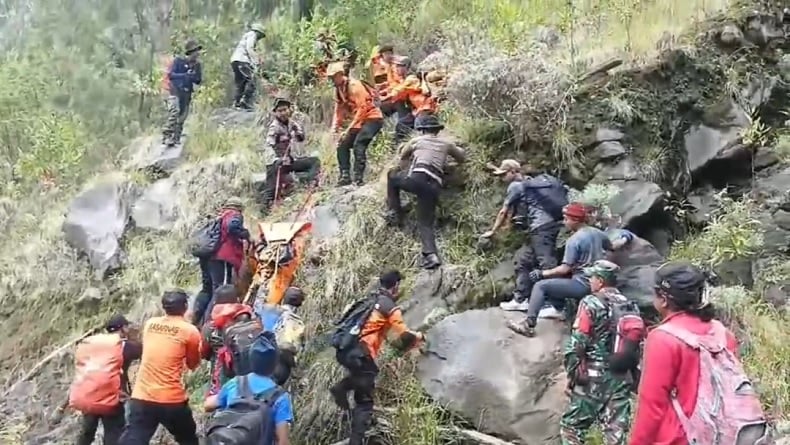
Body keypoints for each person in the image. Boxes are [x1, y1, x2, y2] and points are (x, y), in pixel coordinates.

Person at [629, 262, 769, 445]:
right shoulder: (721, 332)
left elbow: (652, 405)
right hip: (723, 434)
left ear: (663, 299)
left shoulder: (662, 339)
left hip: (681, 437)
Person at [329, 270, 425, 445]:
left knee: (364, 377)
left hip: (345, 350)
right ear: (395, 286)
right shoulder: (389, 306)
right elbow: (403, 332)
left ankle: (341, 389)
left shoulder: (369, 300)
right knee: (365, 401)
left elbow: (382, 332)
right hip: (361, 353)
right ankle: (356, 440)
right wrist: (419, 336)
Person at [507, 202, 611, 337]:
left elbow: (565, 268)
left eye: (566, 219)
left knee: (540, 286)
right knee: (555, 279)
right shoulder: (597, 233)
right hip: (598, 282)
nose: (564, 222)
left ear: (575, 220)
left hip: (583, 284)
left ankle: (528, 324)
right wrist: (626, 236)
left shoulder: (574, 240)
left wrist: (542, 274)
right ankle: (558, 308)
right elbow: (612, 246)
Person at [560, 261, 632, 445]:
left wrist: (572, 374)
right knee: (616, 433)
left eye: (592, 277)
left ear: (600, 281)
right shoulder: (630, 305)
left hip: (593, 377)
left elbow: (577, 344)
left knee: (572, 427)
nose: (590, 280)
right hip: (622, 376)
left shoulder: (590, 302)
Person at [119, 290, 202, 445]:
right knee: (188, 439)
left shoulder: (150, 324)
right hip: (171, 398)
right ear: (185, 307)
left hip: (142, 396)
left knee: (133, 439)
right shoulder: (190, 331)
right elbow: (193, 364)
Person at [481, 159, 563, 312]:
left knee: (547, 264)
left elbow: (504, 211)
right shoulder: (532, 182)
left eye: (503, 175)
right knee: (524, 261)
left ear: (513, 172)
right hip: (548, 226)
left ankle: (555, 306)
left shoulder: (515, 186)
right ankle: (521, 299)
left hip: (541, 227)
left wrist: (493, 231)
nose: (501, 179)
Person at [385, 114, 466, 269]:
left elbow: (402, 155)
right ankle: (431, 255)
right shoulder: (447, 143)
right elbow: (461, 157)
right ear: (437, 130)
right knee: (425, 223)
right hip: (434, 186)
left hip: (418, 178)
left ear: (421, 130)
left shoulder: (416, 141)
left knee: (393, 178)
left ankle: (394, 212)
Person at [204, 332, 294, 445]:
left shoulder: (235, 383)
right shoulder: (280, 397)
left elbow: (208, 405)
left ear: (251, 360)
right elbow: (283, 442)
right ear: (274, 364)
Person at [74, 314, 142, 445]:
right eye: (127, 326)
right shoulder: (124, 347)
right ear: (122, 329)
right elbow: (145, 351)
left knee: (87, 434)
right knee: (113, 433)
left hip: (90, 394)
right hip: (112, 398)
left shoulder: (94, 345)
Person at [192, 197, 252, 325]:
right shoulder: (234, 215)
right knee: (220, 289)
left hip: (208, 255)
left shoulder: (218, 217)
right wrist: (245, 234)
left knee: (207, 289)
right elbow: (232, 226)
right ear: (239, 208)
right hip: (222, 257)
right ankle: (210, 322)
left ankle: (195, 318)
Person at [328, 61, 384, 186]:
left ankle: (358, 178)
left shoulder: (354, 86)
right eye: (330, 77)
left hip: (372, 118)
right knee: (342, 145)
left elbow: (362, 109)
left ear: (340, 74)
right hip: (359, 121)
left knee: (359, 144)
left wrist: (348, 129)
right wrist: (335, 127)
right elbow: (339, 110)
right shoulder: (338, 90)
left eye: (333, 77)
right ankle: (345, 175)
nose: (331, 80)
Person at [260, 97, 321, 213]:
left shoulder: (292, 124)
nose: (283, 113)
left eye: (285, 110)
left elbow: (301, 138)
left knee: (314, 161)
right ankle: (265, 212)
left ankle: (311, 186)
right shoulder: (274, 127)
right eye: (280, 111)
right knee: (271, 190)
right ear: (276, 113)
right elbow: (268, 145)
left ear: (289, 110)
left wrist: (297, 132)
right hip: (275, 164)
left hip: (289, 161)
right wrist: (275, 159)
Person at [201, 284, 257, 397]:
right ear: (237, 300)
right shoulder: (251, 319)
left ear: (215, 303)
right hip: (250, 372)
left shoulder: (210, 327)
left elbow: (204, 353)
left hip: (222, 373)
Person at [380, 56, 439, 149]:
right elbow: (395, 90)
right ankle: (396, 149)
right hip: (416, 111)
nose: (396, 68)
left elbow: (398, 91)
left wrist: (381, 100)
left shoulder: (411, 79)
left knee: (420, 128)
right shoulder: (404, 80)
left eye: (399, 66)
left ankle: (426, 149)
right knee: (402, 125)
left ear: (406, 67)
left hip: (425, 109)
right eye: (396, 66)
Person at [255, 286, 307, 385]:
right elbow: (285, 347)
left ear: (283, 298)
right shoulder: (293, 320)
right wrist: (297, 371)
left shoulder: (267, 309)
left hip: (257, 361)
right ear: (300, 304)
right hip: (276, 369)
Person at [162, 38, 202, 147]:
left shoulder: (197, 65)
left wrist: (193, 76)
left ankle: (176, 138)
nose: (198, 53)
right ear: (190, 52)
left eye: (198, 50)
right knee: (175, 111)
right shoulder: (179, 61)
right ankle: (166, 135)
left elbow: (198, 80)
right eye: (195, 51)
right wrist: (185, 75)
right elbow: (171, 75)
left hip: (186, 93)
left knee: (182, 116)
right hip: (175, 91)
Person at [230, 23, 266, 110]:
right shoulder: (252, 35)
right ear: (258, 32)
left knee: (240, 83)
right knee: (252, 80)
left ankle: (236, 102)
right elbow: (249, 48)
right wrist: (256, 61)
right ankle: (245, 101)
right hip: (242, 60)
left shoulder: (246, 36)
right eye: (260, 36)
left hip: (235, 60)